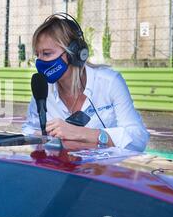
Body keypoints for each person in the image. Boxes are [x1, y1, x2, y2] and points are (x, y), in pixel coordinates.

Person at [22, 13, 149, 152]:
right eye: (37, 55)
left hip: (106, 170)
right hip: (61, 170)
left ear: (75, 53)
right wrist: (41, 135)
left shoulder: (109, 82)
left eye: (46, 54)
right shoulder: (42, 88)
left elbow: (138, 139)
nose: (40, 61)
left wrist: (81, 133)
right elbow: (29, 129)